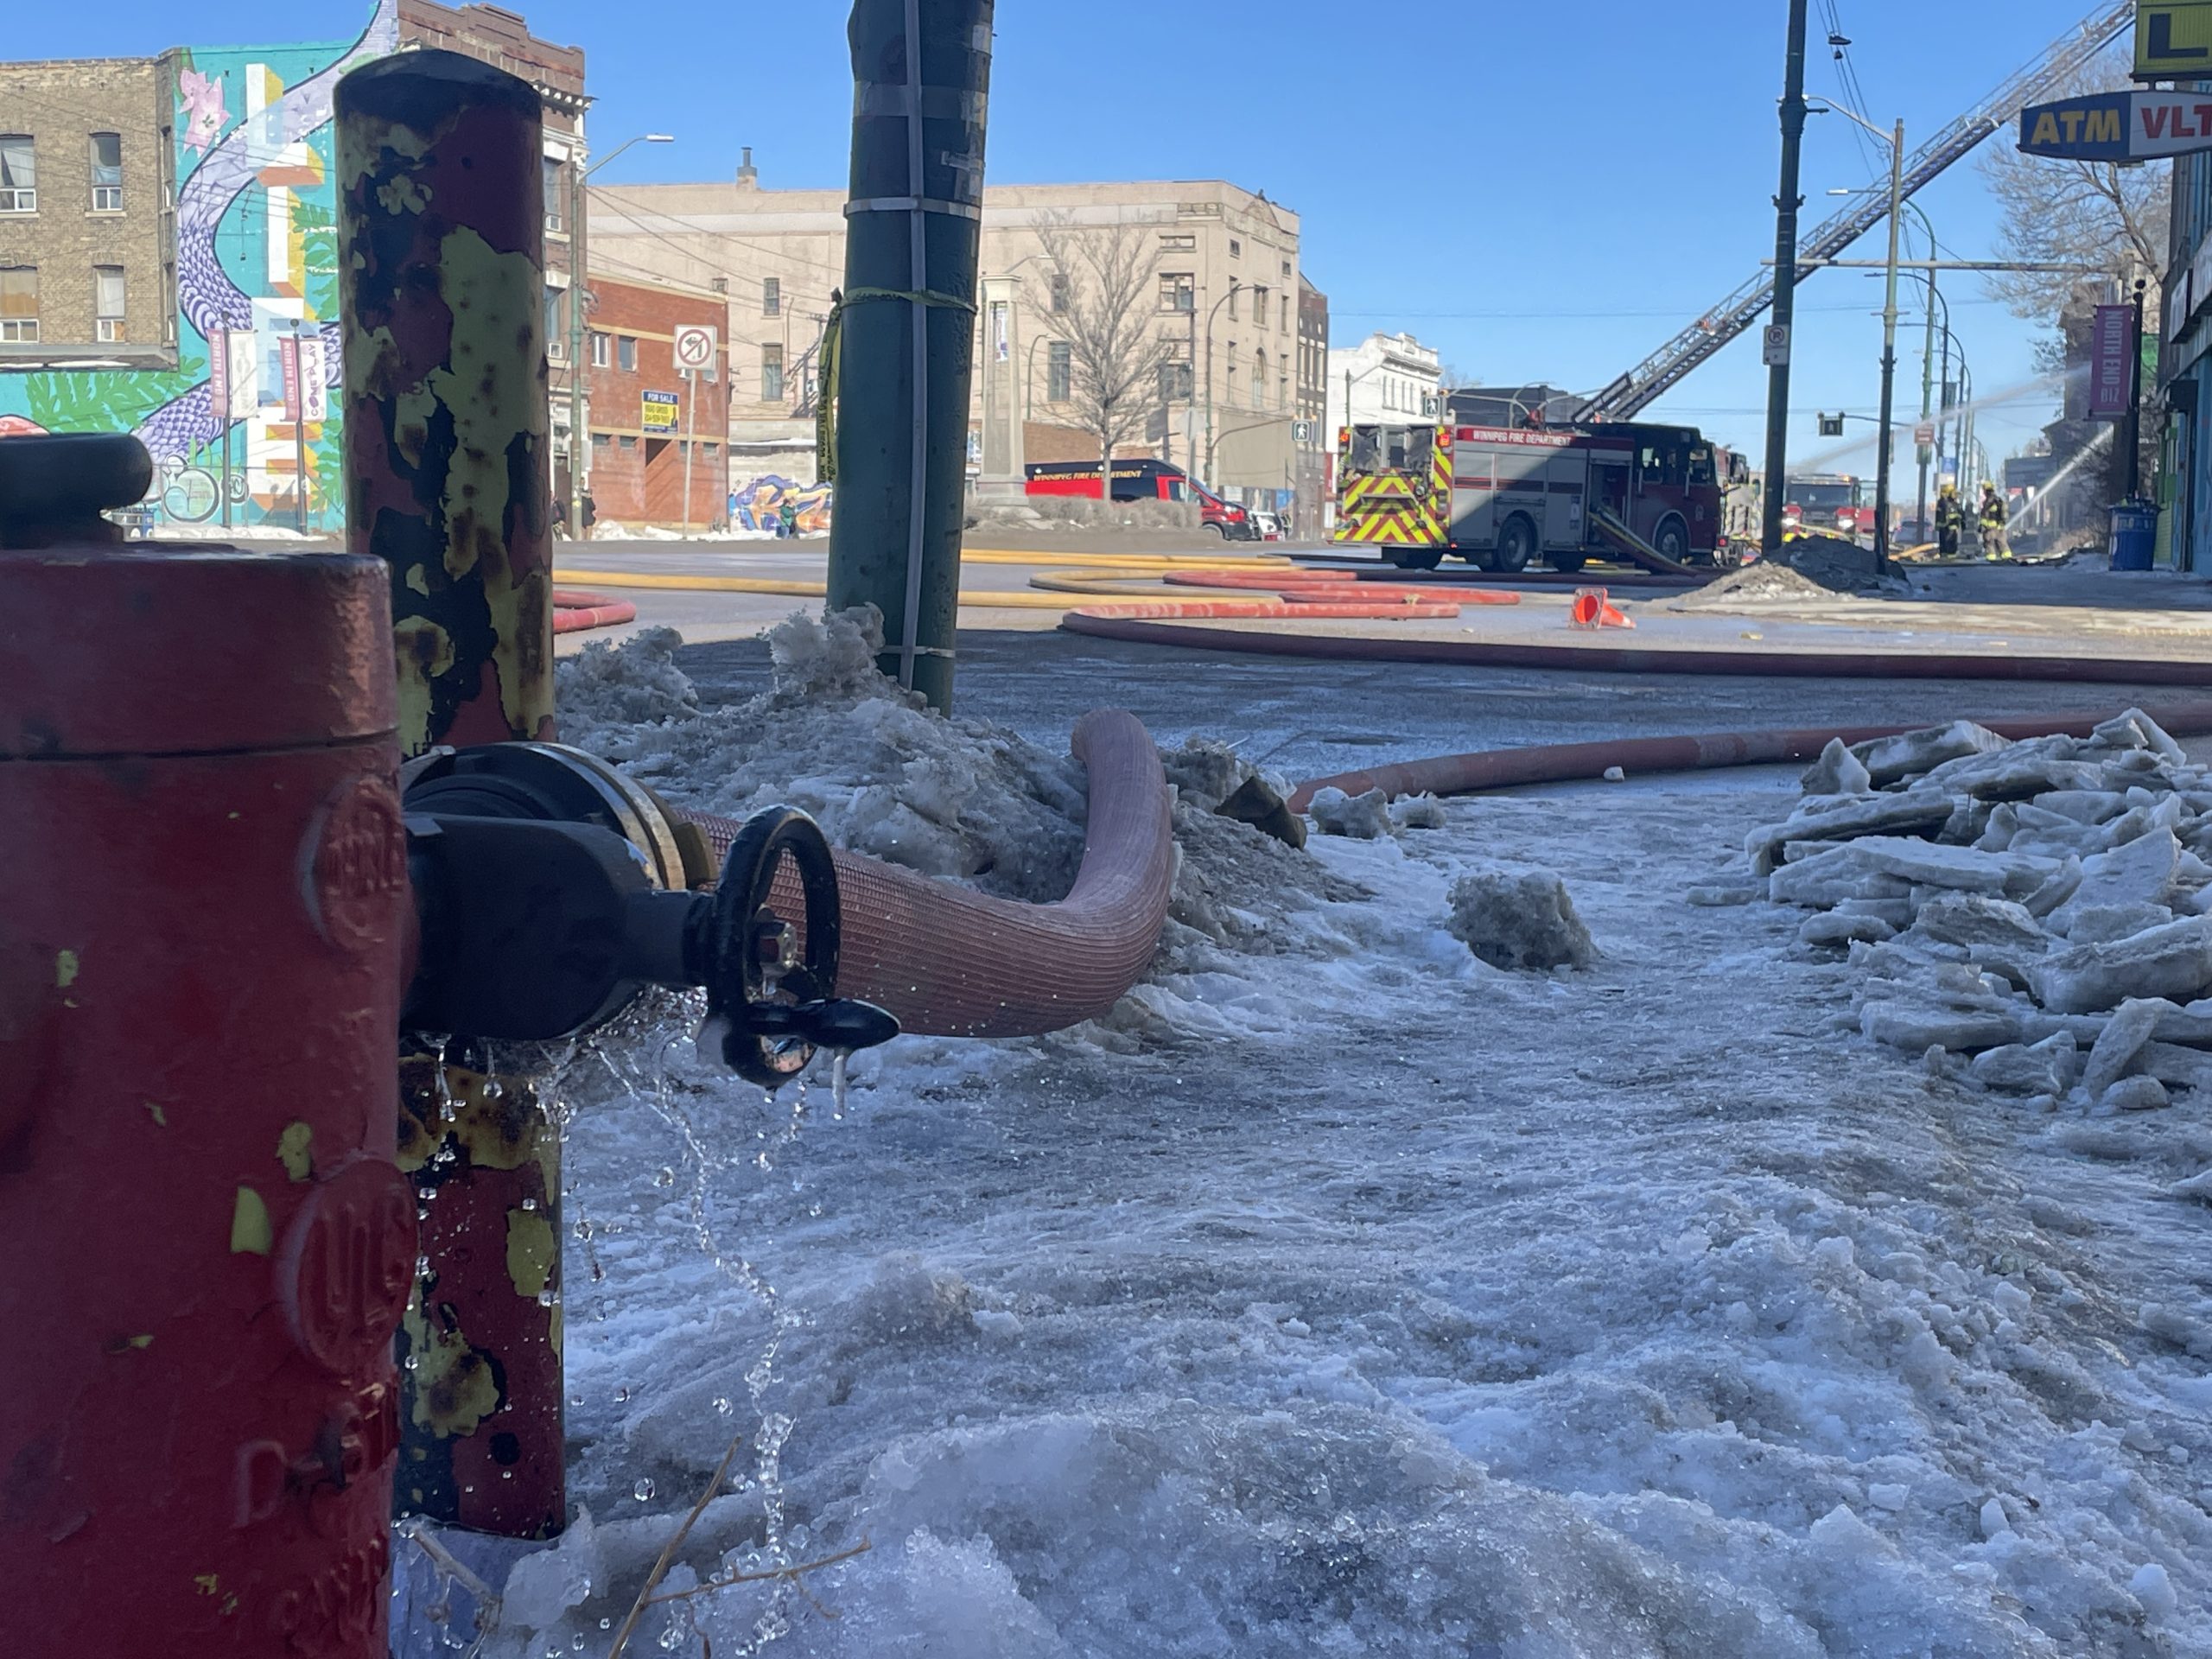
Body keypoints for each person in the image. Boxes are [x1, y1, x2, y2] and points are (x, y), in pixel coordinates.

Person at [1978, 482, 2011, 562]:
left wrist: (1982, 525)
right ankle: (2007, 558)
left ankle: (1991, 559)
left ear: (1985, 491)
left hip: (1990, 528)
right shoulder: (1998, 500)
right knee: (2002, 544)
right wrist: (2001, 523)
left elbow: (1985, 515)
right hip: (2000, 528)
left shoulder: (1988, 502)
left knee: (1990, 544)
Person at [1934, 482, 1963, 560]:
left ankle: (1945, 556)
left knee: (1944, 544)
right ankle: (1950, 558)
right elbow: (1950, 516)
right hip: (1949, 528)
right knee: (1950, 544)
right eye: (1954, 493)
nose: (1956, 496)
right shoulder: (1948, 503)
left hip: (1944, 528)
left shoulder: (1941, 502)